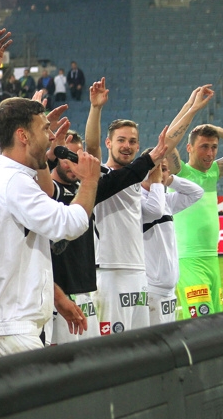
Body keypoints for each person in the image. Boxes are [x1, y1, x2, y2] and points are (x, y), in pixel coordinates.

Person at [0, 97, 100, 359]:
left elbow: (20, 254)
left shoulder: (9, 176)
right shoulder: (15, 183)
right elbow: (71, 223)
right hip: (11, 330)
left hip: (7, 324)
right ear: (23, 135)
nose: (52, 137)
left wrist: (56, 297)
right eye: (44, 129)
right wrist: (89, 181)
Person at [84, 79, 212, 335]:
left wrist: (192, 108)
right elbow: (92, 146)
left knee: (143, 343)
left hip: (139, 273)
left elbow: (166, 143)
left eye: (132, 141)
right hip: (109, 271)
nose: (127, 146)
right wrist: (96, 108)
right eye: (121, 140)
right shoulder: (100, 174)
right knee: (113, 346)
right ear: (109, 144)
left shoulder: (136, 177)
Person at [48, 127, 169, 345]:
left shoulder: (88, 191)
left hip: (85, 289)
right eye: (67, 156)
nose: (73, 163)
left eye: (78, 156)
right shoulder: (47, 192)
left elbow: (128, 175)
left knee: (96, 356)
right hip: (59, 294)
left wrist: (152, 158)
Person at [165, 124, 223, 318]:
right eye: (204, 146)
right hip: (188, 259)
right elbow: (167, 143)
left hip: (212, 260)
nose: (210, 153)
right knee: (200, 322)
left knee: (215, 321)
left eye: (214, 147)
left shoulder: (214, 171)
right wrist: (193, 108)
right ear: (189, 148)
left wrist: (218, 129)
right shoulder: (179, 172)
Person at [140, 160, 203, 326]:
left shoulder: (166, 201)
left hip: (169, 290)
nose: (160, 173)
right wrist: (156, 182)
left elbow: (197, 192)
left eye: (164, 169)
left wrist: (169, 179)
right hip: (151, 288)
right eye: (156, 169)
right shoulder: (137, 200)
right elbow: (155, 211)